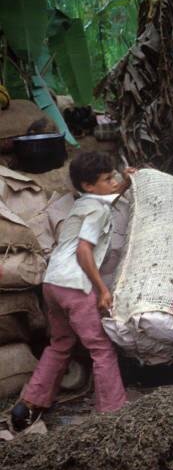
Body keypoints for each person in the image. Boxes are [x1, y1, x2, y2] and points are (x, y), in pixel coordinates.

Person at [11, 152, 136, 431]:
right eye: (108, 178)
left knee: (60, 344)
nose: (114, 180)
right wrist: (102, 289)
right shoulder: (98, 209)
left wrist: (124, 184)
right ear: (89, 186)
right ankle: (112, 414)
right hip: (75, 286)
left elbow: (108, 198)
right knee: (101, 348)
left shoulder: (85, 204)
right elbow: (83, 251)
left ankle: (29, 403)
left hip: (53, 283)